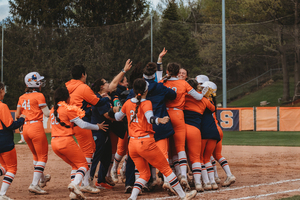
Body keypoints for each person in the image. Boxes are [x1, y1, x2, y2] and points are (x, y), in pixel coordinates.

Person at [114, 78, 197, 200]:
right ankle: (183, 195)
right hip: (145, 142)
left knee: (145, 174)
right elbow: (149, 118)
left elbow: (117, 117)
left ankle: (132, 198)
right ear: (146, 90)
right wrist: (159, 120)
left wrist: (114, 110)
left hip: (132, 145)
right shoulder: (146, 103)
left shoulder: (127, 103)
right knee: (166, 169)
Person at [50, 87, 108, 200]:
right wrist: (97, 126)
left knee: (75, 165)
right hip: (65, 141)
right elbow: (83, 125)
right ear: (66, 97)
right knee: (83, 165)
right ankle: (75, 185)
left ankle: (73, 193)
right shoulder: (67, 109)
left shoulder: (53, 109)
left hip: (54, 143)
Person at [65, 64, 115, 192]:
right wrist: (105, 98)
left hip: (69, 122)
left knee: (82, 154)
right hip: (81, 121)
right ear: (83, 74)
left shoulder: (66, 86)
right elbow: (96, 102)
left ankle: (79, 181)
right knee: (88, 154)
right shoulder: (83, 87)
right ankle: (83, 183)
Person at [160, 63, 208, 190]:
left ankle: (167, 178)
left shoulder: (163, 81)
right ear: (178, 73)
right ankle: (183, 176)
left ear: (168, 71)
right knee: (180, 147)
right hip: (178, 114)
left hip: (165, 114)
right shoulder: (184, 83)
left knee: (167, 148)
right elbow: (198, 97)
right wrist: (204, 91)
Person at [89, 59, 132, 190]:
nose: (108, 84)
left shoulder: (106, 96)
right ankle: (89, 180)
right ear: (101, 86)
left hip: (105, 131)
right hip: (99, 131)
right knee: (96, 157)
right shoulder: (100, 99)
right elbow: (107, 116)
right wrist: (120, 116)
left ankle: (101, 180)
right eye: (105, 83)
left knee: (107, 156)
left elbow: (113, 84)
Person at [16, 72, 51, 194]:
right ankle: (34, 184)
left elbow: (17, 115)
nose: (41, 83)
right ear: (34, 83)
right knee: (42, 156)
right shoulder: (39, 95)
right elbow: (47, 114)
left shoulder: (21, 97)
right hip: (36, 126)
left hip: (25, 128)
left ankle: (42, 179)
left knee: (36, 156)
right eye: (39, 81)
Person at [183, 79, 216, 192]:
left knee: (178, 155)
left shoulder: (184, 97)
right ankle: (200, 183)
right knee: (196, 157)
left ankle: (180, 178)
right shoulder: (203, 99)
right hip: (194, 129)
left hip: (181, 129)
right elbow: (213, 108)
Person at [0, 82, 26, 200]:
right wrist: (22, 120)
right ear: (0, 91)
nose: (5, 93)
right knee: (12, 168)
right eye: (4, 90)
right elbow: (10, 125)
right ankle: (2, 194)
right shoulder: (2, 106)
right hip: (4, 139)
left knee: (4, 167)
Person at [199, 81, 221, 191]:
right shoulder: (212, 102)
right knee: (207, 158)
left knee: (201, 158)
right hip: (214, 131)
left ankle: (207, 182)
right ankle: (213, 182)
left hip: (204, 132)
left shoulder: (202, 101)